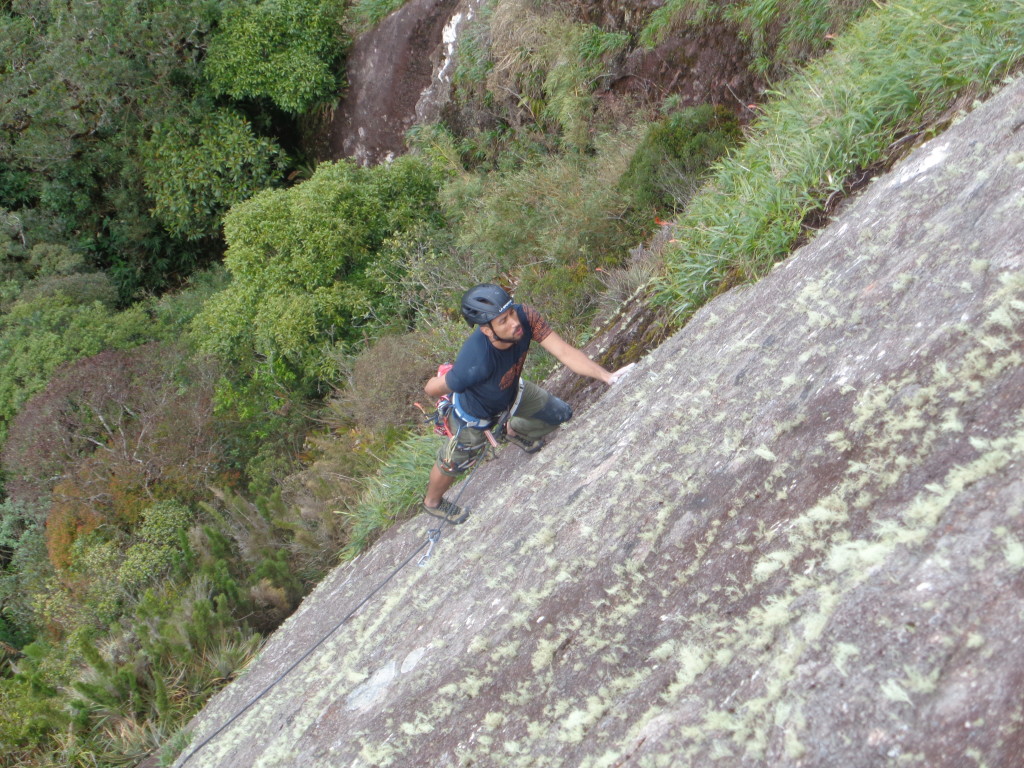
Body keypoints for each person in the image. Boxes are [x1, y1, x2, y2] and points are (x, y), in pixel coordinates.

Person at [422, 283, 633, 522]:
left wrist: (607, 377)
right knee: (453, 464)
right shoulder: (474, 361)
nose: (514, 322)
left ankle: (511, 430)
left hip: (512, 393)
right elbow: (433, 387)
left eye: (511, 312)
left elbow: (564, 352)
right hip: (473, 418)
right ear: (486, 330)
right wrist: (443, 379)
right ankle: (432, 503)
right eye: (503, 320)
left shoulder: (526, 317)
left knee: (561, 414)